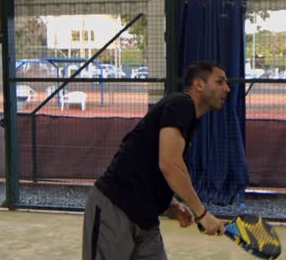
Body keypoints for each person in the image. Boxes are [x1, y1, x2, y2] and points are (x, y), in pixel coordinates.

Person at [82, 61, 230, 260]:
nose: (227, 88)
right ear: (199, 84)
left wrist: (172, 203)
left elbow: (147, 161)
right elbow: (169, 163)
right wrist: (201, 213)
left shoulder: (187, 118)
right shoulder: (181, 104)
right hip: (115, 206)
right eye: (220, 82)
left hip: (146, 218)